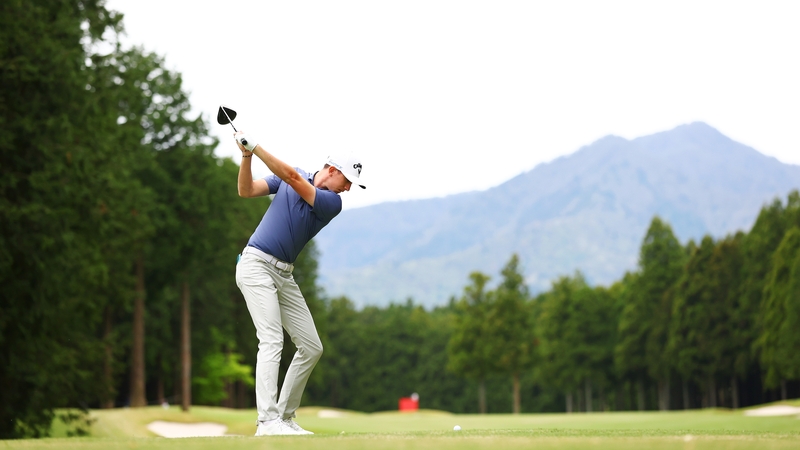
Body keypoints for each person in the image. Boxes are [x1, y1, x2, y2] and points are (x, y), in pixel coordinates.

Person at [233, 130, 365, 436]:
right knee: (271, 340)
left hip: (284, 274)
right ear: (332, 171)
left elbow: (292, 177)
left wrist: (256, 146)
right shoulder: (291, 180)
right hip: (255, 265)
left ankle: (285, 417)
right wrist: (246, 157)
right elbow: (247, 190)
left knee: (311, 346)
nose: (347, 188)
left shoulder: (331, 202)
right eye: (346, 181)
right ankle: (267, 423)